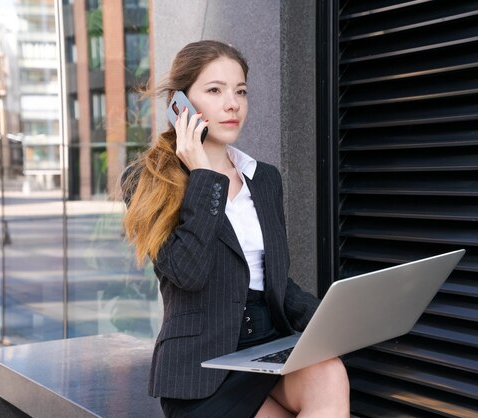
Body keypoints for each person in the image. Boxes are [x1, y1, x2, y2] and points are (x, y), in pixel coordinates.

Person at [121, 40, 350, 418]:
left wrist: (332, 319)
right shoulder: (148, 182)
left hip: (265, 349)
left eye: (240, 91)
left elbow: (273, 280)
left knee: (329, 371)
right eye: (215, 90)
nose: (233, 104)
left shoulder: (264, 178)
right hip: (203, 370)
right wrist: (204, 177)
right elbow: (188, 274)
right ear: (180, 103)